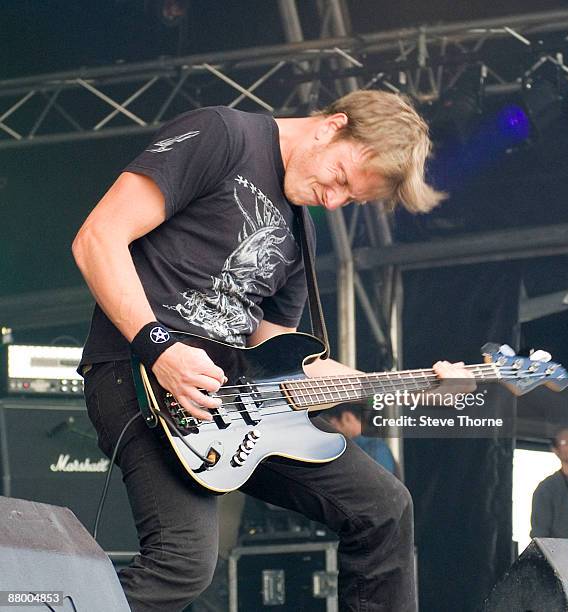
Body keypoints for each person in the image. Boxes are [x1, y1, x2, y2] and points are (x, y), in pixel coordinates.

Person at [72, 89, 474, 611]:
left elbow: (278, 352)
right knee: (184, 563)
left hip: (229, 401)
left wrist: (421, 385)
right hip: (138, 374)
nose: (334, 201)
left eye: (350, 200)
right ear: (333, 126)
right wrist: (160, 349)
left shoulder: (301, 229)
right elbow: (98, 237)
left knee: (384, 507)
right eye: (341, 178)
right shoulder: (223, 135)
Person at [326, 402, 397, 475]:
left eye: (334, 425)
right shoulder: (376, 446)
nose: (334, 429)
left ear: (347, 417)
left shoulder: (374, 447)